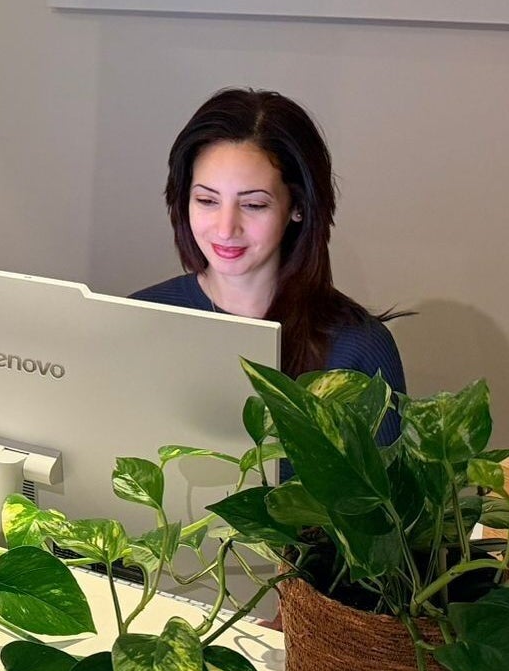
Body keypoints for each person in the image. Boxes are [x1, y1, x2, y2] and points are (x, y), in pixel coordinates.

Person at [131, 88, 405, 444]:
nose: (226, 228)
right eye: (206, 200)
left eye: (254, 205)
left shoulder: (359, 349)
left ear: (298, 207)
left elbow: (382, 497)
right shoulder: (137, 321)